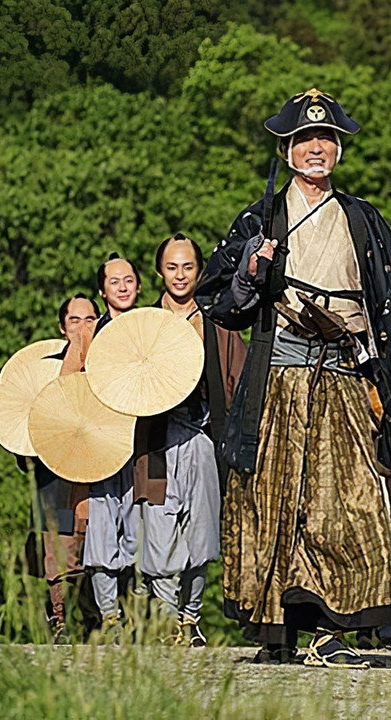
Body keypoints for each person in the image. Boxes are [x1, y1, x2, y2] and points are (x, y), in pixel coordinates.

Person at [196, 89, 391, 668]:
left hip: (343, 374)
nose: (316, 148)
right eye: (304, 140)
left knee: (347, 500)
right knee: (271, 501)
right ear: (287, 150)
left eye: (326, 139)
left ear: (340, 150)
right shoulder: (259, 218)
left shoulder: (362, 217)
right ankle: (278, 631)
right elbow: (218, 299)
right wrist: (251, 270)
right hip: (278, 376)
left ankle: (332, 629)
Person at [132, 234, 246, 647]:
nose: (180, 275)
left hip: (204, 439)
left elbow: (238, 381)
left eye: (188, 267)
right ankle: (164, 619)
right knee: (159, 531)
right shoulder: (143, 324)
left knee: (201, 532)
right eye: (171, 267)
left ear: (199, 270)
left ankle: (190, 617)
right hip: (156, 443)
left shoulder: (217, 321)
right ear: (159, 271)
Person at [29, 293, 99, 642]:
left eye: (90, 319)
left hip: (100, 469)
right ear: (62, 326)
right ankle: (60, 620)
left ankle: (98, 621)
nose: (82, 327)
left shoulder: (110, 365)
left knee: (97, 549)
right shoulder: (44, 369)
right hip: (55, 473)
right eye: (74, 320)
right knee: (59, 549)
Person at [80, 253, 143, 637]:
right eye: (114, 281)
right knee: (103, 531)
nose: (122, 287)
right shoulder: (93, 334)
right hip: (102, 444)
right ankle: (110, 617)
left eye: (129, 280)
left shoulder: (150, 328)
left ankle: (141, 616)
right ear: (102, 291)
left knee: (140, 534)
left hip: (145, 446)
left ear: (139, 285)